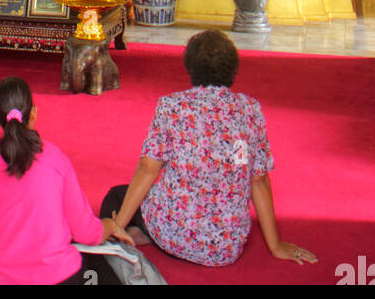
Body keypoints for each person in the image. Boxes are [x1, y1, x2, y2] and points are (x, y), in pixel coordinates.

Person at [101, 29, 318, 268]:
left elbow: (148, 168)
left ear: (189, 68)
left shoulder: (173, 107)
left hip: (175, 234)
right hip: (226, 248)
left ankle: (132, 234)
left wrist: (117, 224)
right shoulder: (249, 110)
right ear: (233, 70)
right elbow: (258, 180)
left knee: (116, 196)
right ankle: (144, 234)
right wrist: (275, 245)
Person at [0, 75, 134, 285]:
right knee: (101, 265)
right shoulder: (54, 158)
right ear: (33, 112)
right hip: (61, 278)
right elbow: (86, 232)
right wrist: (109, 225)